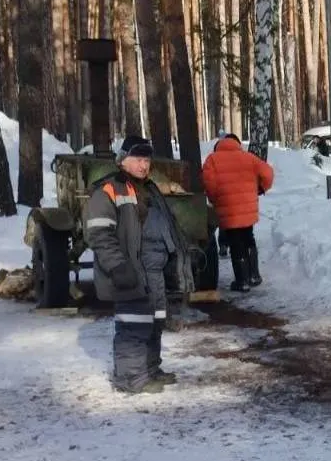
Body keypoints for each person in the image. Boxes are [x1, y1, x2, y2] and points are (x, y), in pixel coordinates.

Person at [84, 136, 193, 394]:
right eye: (138, 160)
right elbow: (98, 234)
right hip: (129, 271)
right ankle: (130, 379)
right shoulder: (109, 190)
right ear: (123, 161)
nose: (144, 165)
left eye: (147, 160)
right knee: (133, 325)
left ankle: (151, 369)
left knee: (154, 321)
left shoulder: (149, 188)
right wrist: (118, 267)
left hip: (153, 273)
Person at [201, 132, 275, 291]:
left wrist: (215, 199)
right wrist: (260, 189)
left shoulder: (212, 160)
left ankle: (242, 281)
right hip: (248, 208)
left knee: (235, 242)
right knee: (249, 238)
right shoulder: (248, 157)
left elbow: (209, 184)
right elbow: (268, 173)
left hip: (228, 208)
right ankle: (254, 275)